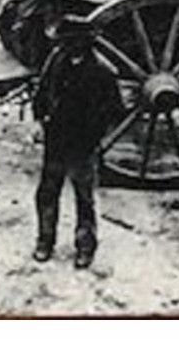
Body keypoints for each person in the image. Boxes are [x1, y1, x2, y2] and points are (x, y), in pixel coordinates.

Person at [32, 14, 124, 269]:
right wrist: (40, 120)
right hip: (56, 140)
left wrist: (95, 135)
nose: (64, 46)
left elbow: (116, 110)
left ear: (83, 44)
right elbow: (42, 92)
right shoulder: (57, 60)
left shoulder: (103, 72)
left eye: (70, 42)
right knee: (47, 192)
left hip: (83, 144)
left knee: (84, 198)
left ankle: (85, 248)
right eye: (63, 42)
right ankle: (45, 241)